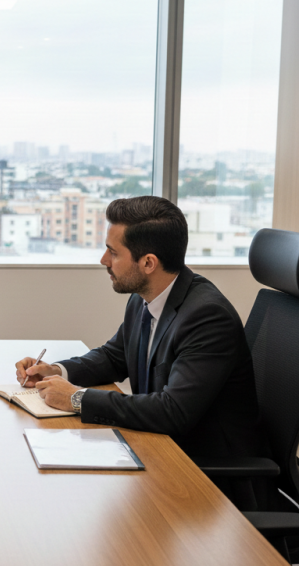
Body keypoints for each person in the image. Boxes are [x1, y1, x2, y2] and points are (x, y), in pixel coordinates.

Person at [14, 195, 263, 460]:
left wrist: (77, 398)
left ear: (148, 263)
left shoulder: (208, 317)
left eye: (113, 252)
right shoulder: (145, 296)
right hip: (157, 446)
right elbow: (115, 356)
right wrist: (56, 371)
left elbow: (173, 411)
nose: (103, 260)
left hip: (205, 473)